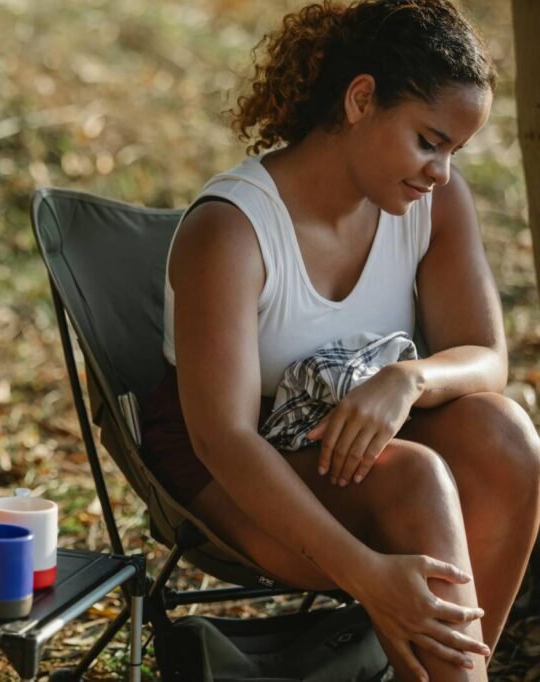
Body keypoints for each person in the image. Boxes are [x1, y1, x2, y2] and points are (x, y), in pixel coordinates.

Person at [140, 1, 540, 680]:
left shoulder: (434, 205)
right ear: (361, 100)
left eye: (454, 151)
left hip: (354, 442)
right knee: (416, 477)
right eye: (428, 140)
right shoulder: (232, 231)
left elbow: (486, 358)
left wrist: (408, 379)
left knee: (505, 435)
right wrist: (368, 573)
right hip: (238, 465)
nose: (441, 171)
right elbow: (223, 440)